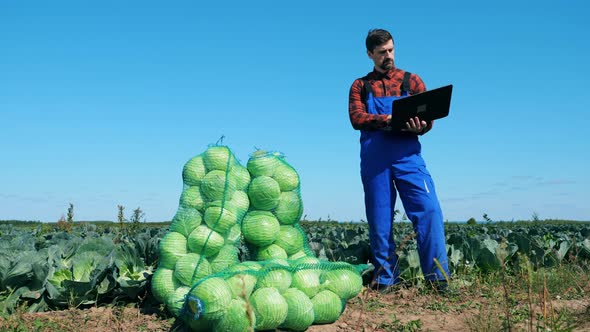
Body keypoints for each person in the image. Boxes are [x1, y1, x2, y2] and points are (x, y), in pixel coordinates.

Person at [348, 28, 451, 293]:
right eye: (382, 53)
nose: (388, 56)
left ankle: (438, 279)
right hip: (375, 159)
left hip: (408, 156)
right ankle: (385, 280)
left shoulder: (411, 81)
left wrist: (421, 126)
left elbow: (429, 119)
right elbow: (356, 119)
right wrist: (389, 120)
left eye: (391, 50)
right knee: (380, 220)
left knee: (429, 210)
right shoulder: (360, 86)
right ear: (370, 54)